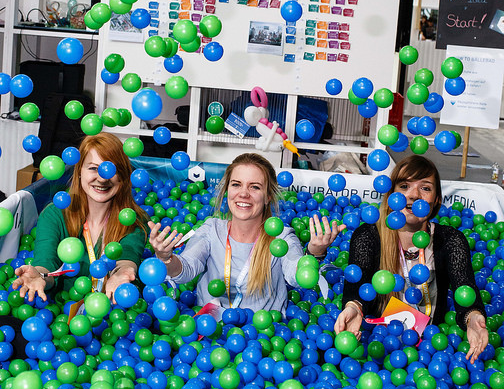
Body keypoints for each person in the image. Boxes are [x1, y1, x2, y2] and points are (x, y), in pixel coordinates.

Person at [334, 155, 488, 364]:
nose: (414, 195)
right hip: (378, 344)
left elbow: (465, 289)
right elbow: (357, 289)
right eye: (404, 186)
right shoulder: (368, 236)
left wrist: (473, 318)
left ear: (436, 200)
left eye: (425, 188)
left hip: (432, 350)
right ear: (391, 194)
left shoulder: (450, 240)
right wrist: (353, 307)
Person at [148, 153, 343, 314]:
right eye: (236, 184)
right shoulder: (211, 229)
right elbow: (186, 269)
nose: (243, 193)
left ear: (268, 197)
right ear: (227, 190)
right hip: (210, 331)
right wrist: (165, 257)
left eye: (254, 187)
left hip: (264, 340)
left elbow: (296, 276)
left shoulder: (281, 237)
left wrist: (314, 252)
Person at [13, 133, 147, 303]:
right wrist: (39, 275)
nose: (102, 177)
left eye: (111, 169)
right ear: (79, 172)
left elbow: (127, 256)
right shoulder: (54, 215)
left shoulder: (132, 218)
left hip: (114, 314)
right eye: (93, 168)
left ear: (123, 175)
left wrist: (122, 273)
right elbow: (46, 263)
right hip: (60, 314)